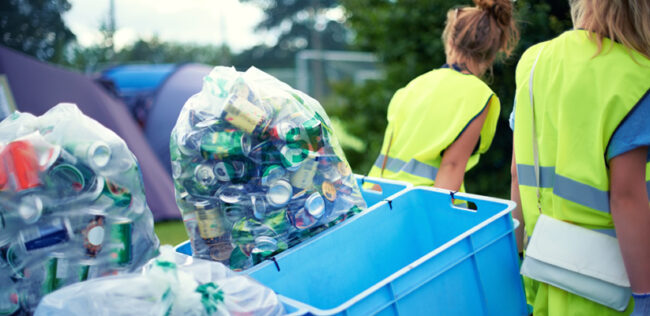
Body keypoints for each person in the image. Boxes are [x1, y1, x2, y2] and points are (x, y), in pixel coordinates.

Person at [510, 0, 650, 315]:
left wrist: (515, 255)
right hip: (614, 289)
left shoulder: (534, 61)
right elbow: (627, 198)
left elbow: (517, 172)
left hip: (544, 274)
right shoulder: (638, 79)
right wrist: (645, 296)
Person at [367, 0, 518, 192]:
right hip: (421, 208)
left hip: (377, 198)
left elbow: (387, 155)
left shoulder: (415, 84)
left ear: (450, 40)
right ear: (493, 51)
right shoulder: (478, 96)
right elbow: (451, 167)